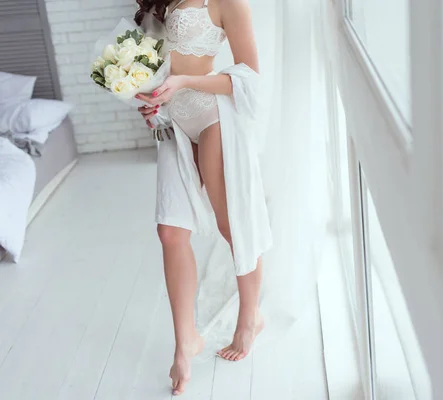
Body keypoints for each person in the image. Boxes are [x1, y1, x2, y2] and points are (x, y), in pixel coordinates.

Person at [134, 0, 271, 395]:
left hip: (210, 115)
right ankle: (185, 341)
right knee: (170, 233)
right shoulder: (163, 2)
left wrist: (186, 83)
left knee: (231, 225)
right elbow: (157, 68)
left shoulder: (228, 2)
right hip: (172, 122)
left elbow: (248, 76)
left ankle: (250, 318)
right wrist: (152, 103)